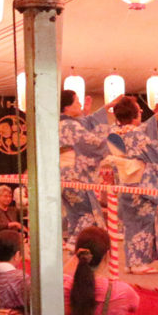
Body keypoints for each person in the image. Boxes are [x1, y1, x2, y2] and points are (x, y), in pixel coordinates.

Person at [106, 95, 158, 274]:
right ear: (135, 116)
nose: (142, 114)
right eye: (139, 111)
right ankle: (138, 263)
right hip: (140, 185)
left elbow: (145, 128)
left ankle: (130, 261)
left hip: (124, 185)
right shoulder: (137, 135)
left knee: (130, 225)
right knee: (143, 224)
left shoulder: (113, 131)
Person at [60, 91, 114, 243]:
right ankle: (74, 243)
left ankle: (73, 246)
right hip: (74, 176)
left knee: (75, 216)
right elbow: (93, 144)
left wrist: (94, 111)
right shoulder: (71, 125)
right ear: (66, 107)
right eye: (77, 101)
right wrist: (116, 141)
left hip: (62, 176)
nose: (80, 104)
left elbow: (83, 125)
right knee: (88, 215)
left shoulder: (60, 124)